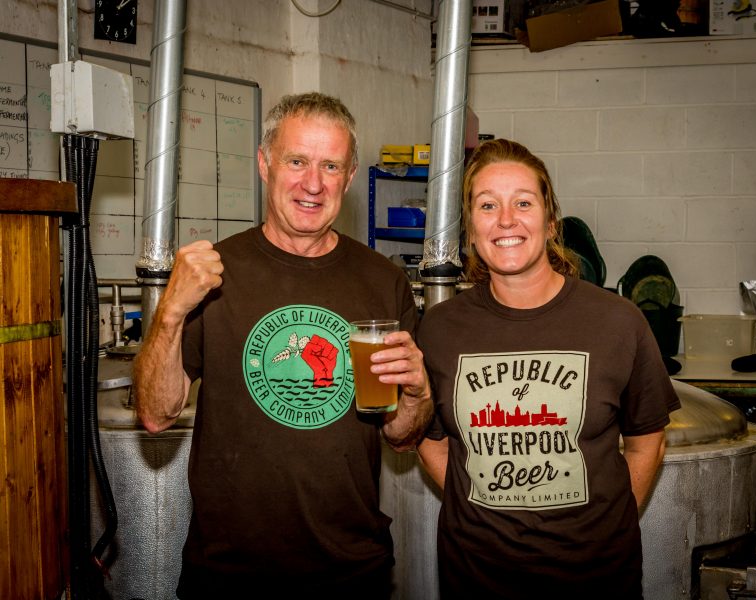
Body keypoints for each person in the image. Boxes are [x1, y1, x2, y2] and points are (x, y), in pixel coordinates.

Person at [133, 92, 433, 599]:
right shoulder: (215, 274)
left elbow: (401, 437)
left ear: (350, 176)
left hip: (351, 570)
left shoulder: (384, 281)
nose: (313, 184)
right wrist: (171, 311)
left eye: (330, 166)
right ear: (265, 164)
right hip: (229, 573)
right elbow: (156, 414)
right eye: (297, 161)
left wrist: (419, 394)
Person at [415, 138, 680, 599]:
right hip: (477, 575)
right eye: (487, 205)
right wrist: (488, 510)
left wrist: (606, 526)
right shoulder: (439, 329)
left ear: (550, 220)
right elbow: (428, 438)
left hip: (597, 577)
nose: (506, 220)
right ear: (470, 230)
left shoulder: (618, 321)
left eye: (523, 202)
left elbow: (648, 442)